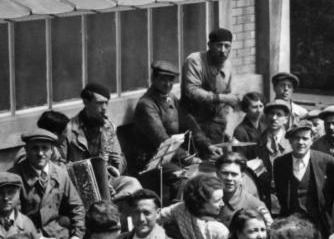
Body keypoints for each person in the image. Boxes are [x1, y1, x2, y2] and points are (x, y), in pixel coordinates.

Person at [10, 128, 86, 239]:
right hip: (26, 237)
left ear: (52, 151)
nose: (40, 153)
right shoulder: (15, 177)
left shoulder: (60, 173)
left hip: (56, 232)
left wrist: (77, 235)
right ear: (27, 150)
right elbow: (14, 218)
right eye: (35, 148)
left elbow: (77, 207)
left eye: (45, 148)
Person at [131, 60, 199, 203]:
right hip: (150, 159)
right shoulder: (146, 105)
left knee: (202, 172)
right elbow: (161, 138)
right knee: (182, 177)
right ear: (153, 79)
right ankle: (175, 213)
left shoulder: (171, 98)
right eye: (163, 80)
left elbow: (188, 122)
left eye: (171, 80)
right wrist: (188, 157)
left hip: (170, 155)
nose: (168, 84)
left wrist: (206, 144)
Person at [59, 83, 141, 200]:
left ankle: (111, 205)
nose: (104, 108)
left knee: (132, 183)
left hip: (106, 180)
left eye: (106, 103)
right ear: (86, 102)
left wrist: (117, 165)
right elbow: (59, 164)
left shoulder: (108, 127)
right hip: (79, 185)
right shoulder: (68, 129)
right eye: (100, 103)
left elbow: (120, 159)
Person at [181, 28, 237, 151]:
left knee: (216, 162)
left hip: (216, 124)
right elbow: (191, 91)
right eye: (219, 46)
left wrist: (227, 128)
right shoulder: (195, 60)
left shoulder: (227, 65)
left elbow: (229, 101)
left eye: (227, 46)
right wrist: (221, 98)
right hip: (194, 124)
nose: (223, 50)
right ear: (209, 45)